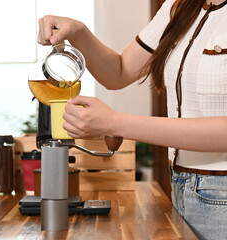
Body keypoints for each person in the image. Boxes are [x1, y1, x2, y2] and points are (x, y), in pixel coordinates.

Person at [38, 0, 227, 239]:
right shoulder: (180, 6)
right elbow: (119, 71)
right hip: (183, 185)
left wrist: (114, 122)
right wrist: (78, 31)